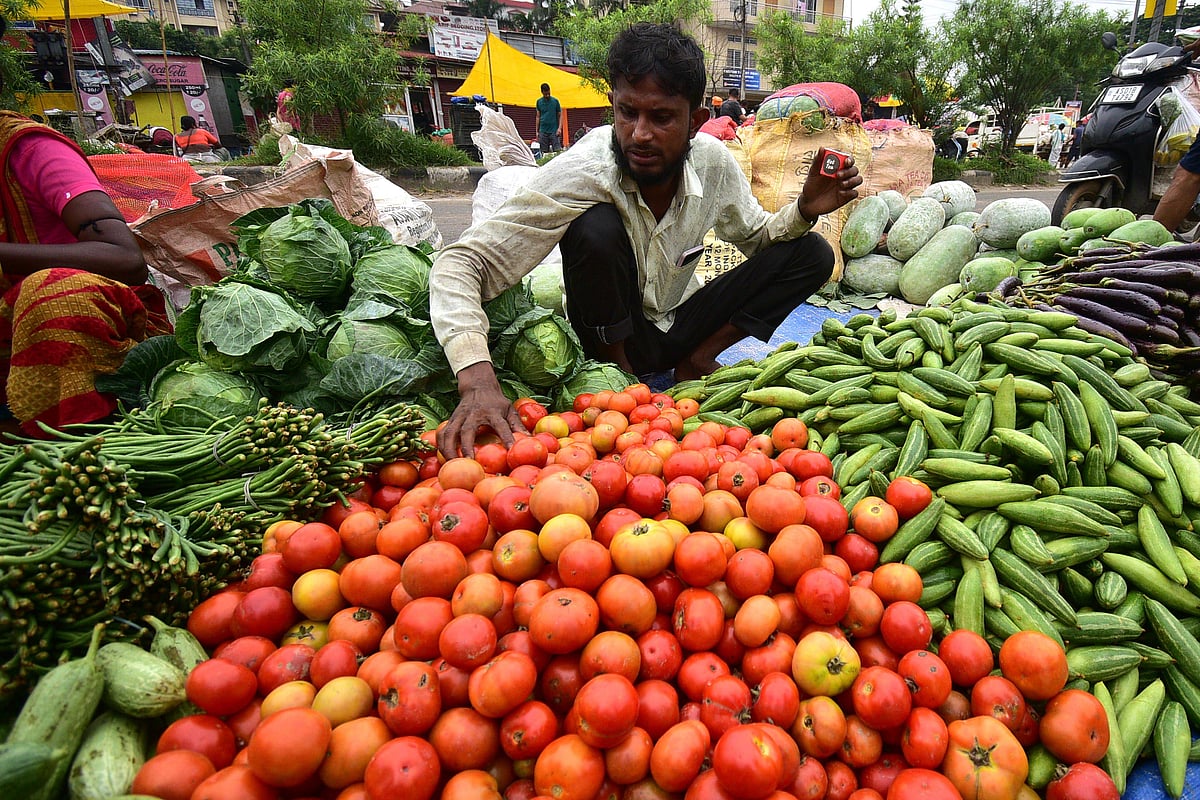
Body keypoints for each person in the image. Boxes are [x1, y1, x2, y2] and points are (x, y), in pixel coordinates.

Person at [429, 22, 861, 459]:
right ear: (613, 107)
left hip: (676, 324)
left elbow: (757, 238)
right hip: (604, 333)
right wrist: (477, 375)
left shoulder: (714, 165)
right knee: (595, 226)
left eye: (661, 117)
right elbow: (463, 262)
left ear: (695, 122)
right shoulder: (587, 169)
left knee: (812, 253)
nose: (639, 134)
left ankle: (696, 359)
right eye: (627, 112)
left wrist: (805, 209)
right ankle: (621, 379)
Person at [0, 17, 169, 437]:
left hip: (90, 332)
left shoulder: (30, 149)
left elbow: (126, 258)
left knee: (56, 291)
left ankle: (74, 440)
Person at [535, 83, 563, 154]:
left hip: (554, 131)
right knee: (544, 152)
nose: (547, 95)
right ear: (542, 92)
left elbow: (560, 115)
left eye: (548, 93)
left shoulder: (555, 101)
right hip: (543, 131)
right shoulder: (539, 102)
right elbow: (538, 116)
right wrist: (537, 131)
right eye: (545, 94)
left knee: (557, 151)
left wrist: (559, 128)